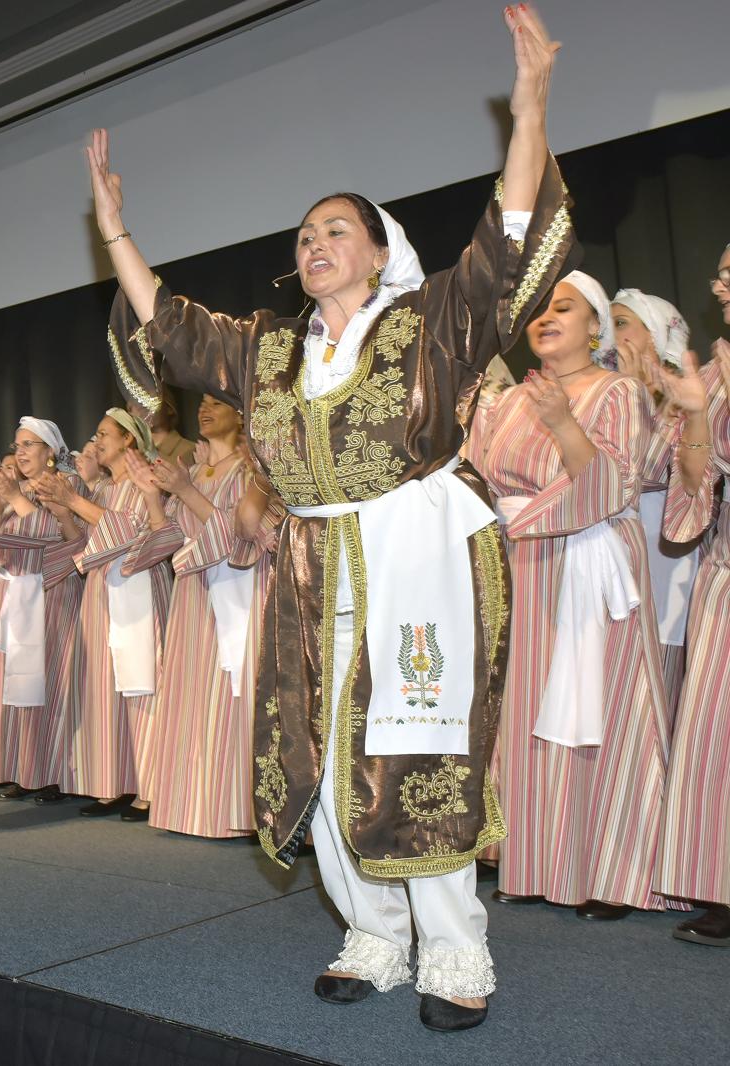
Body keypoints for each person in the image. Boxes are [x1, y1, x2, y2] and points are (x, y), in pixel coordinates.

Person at [89, 5, 571, 1030]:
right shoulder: (268, 350)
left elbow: (507, 243)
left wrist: (527, 110)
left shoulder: (430, 320)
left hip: (416, 552)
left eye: (333, 230)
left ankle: (452, 948)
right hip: (313, 560)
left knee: (414, 740)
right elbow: (168, 331)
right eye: (303, 235)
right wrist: (118, 235)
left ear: (378, 250)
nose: (313, 243)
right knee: (317, 738)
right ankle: (370, 931)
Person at [473, 270, 674, 924]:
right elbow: (477, 481)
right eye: (539, 307)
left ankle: (614, 873)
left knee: (600, 703)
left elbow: (613, 483)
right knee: (525, 706)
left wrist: (563, 425)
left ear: (596, 327)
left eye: (566, 307)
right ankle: (532, 861)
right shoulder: (505, 401)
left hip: (587, 561)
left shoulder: (617, 392)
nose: (548, 315)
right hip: (519, 565)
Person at [126, 396, 276, 839]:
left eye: (217, 403)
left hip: (242, 592)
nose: (204, 409)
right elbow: (169, 538)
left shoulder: (254, 471)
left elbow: (256, 534)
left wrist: (186, 493)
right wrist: (156, 496)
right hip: (194, 598)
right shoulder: (188, 472)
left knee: (237, 697)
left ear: (241, 413)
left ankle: (243, 812)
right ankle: (198, 807)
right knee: (198, 698)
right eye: (202, 402)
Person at [36, 410, 171, 820]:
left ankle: (150, 788)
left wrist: (73, 500)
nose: (96, 442)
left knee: (142, 689)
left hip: (137, 589)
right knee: (105, 690)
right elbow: (82, 539)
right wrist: (62, 510)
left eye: (104, 435)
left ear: (130, 441)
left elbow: (132, 532)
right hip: (101, 592)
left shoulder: (146, 484)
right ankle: (115, 782)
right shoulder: (107, 489)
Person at [655, 241, 730, 946]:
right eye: (724, 270)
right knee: (718, 735)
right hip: (727, 576)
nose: (722, 281)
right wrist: (700, 415)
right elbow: (689, 507)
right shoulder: (711, 375)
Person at [0, 417, 87, 803]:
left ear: (50, 452)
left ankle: (55, 773)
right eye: (17, 445)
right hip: (16, 596)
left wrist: (12, 498)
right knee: (20, 687)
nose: (21, 452)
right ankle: (26, 769)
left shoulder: (68, 486)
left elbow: (50, 533)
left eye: (28, 445)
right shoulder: (16, 491)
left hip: (53, 594)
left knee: (53, 684)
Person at [612, 288, 700, 719]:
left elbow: (646, 470)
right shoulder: (604, 391)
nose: (609, 334)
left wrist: (636, 391)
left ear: (654, 335)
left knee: (664, 695)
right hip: (617, 556)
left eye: (622, 323)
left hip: (666, 557)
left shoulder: (683, 398)